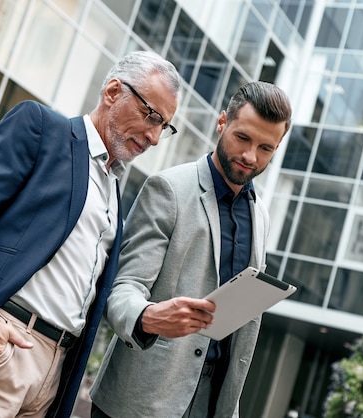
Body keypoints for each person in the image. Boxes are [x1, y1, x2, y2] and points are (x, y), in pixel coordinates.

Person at [0, 50, 181, 418]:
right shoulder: (42, 128)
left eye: (164, 126)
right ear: (113, 91)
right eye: (151, 115)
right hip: (2, 348)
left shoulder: (113, 189)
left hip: (54, 372)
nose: (154, 136)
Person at [89, 81, 292, 418]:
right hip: (143, 400)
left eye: (266, 148)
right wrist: (147, 316)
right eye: (243, 137)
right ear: (222, 122)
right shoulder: (168, 189)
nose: (249, 156)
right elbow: (124, 287)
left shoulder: (261, 216)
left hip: (212, 403)